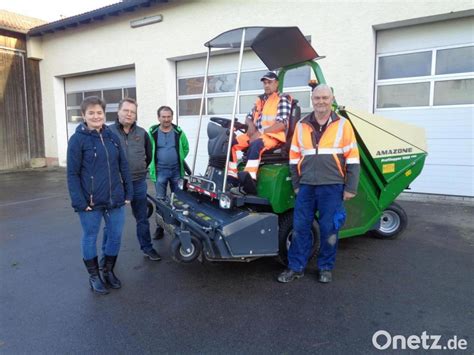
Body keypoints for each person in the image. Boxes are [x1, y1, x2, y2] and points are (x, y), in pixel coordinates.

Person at [277, 84, 360, 284]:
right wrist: (297, 185)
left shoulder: (342, 125)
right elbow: (294, 157)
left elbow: (353, 158)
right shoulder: (301, 125)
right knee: (300, 228)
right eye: (317, 98)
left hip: (332, 186)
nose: (321, 101)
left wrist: (351, 187)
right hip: (306, 186)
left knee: (329, 229)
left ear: (332, 99)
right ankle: (296, 267)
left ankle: (325, 268)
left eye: (325, 98)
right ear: (312, 100)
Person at [67, 96, 133, 295]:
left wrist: (128, 192)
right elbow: (72, 173)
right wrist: (79, 201)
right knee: (90, 237)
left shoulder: (112, 136)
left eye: (99, 113)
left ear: (105, 114)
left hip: (115, 199)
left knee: (115, 236)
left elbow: (123, 165)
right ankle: (94, 276)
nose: (96, 116)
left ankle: (108, 271)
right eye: (91, 113)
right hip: (90, 202)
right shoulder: (78, 139)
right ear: (84, 115)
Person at [104, 98, 161, 261]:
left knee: (142, 218)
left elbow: (149, 156)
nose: (129, 114)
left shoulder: (142, 133)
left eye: (133, 112)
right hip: (116, 184)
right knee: (112, 222)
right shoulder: (107, 132)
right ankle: (107, 255)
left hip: (137, 183)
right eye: (126, 110)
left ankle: (147, 248)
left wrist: (139, 169)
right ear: (118, 112)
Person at [227, 71, 291, 194]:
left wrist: (260, 133)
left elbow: (282, 124)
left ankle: (249, 182)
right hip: (257, 134)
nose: (267, 85)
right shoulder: (260, 100)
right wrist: (250, 127)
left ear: (276, 83)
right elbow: (249, 117)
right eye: (265, 83)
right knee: (231, 143)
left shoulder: (282, 99)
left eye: (270, 82)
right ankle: (232, 178)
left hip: (273, 136)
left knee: (256, 145)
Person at [148, 106, 189, 238]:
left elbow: (185, 148)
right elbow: (148, 150)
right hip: (160, 171)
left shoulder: (178, 132)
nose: (166, 119)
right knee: (160, 201)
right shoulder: (153, 132)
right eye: (163, 117)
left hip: (176, 170)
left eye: (168, 116)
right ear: (158, 118)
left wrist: (178, 158)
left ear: (172, 117)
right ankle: (160, 228)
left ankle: (178, 227)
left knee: (178, 200)